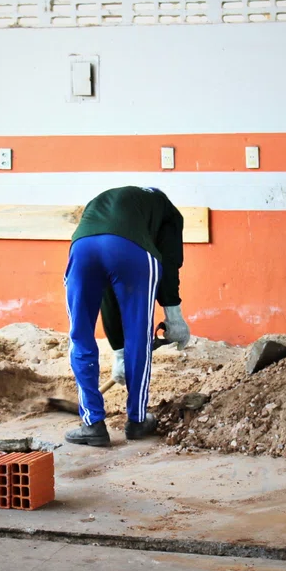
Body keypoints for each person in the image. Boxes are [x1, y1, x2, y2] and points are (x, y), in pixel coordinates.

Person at [63, 186, 191, 447]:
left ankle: (93, 424)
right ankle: (137, 420)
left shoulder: (98, 204)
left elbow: (108, 295)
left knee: (80, 336)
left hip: (83, 247)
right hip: (131, 252)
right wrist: (174, 314)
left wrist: (117, 351)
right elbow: (169, 262)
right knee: (139, 337)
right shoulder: (169, 212)